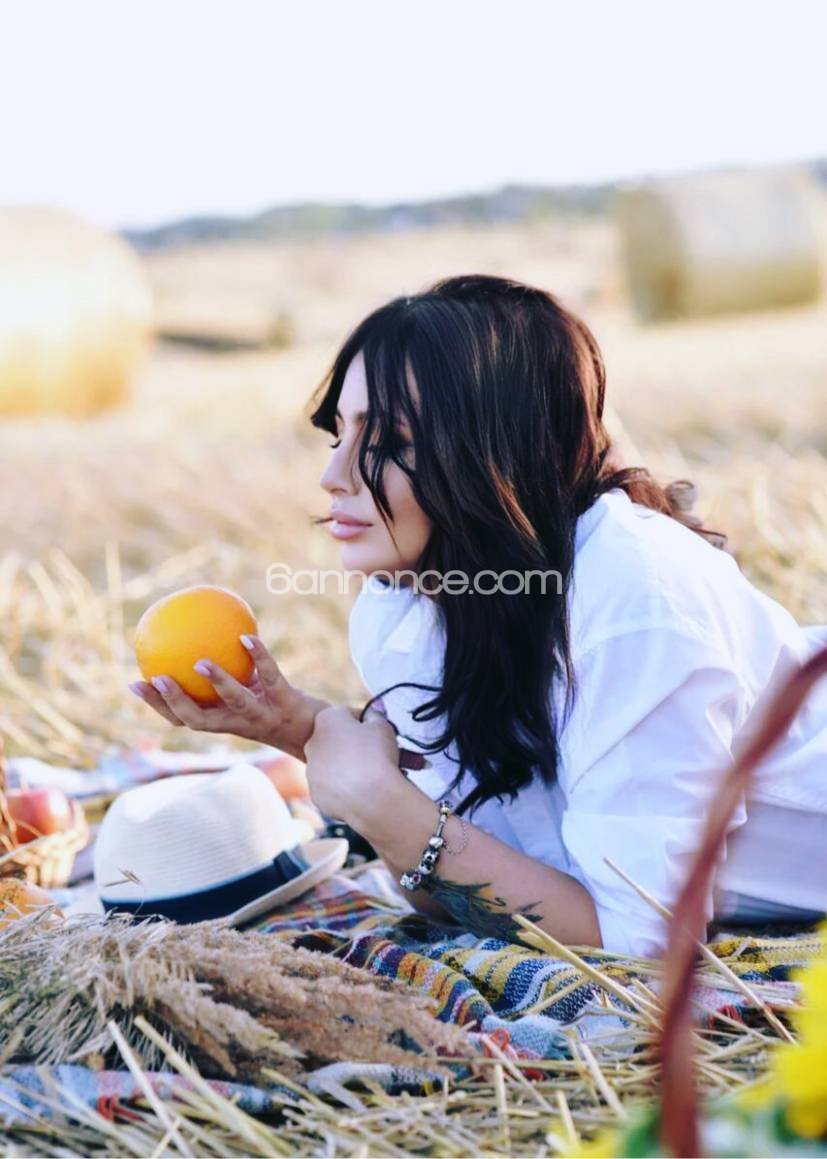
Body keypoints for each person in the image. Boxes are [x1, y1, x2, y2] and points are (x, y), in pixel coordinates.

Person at [129, 274, 827, 958]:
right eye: (338, 433)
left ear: (497, 448)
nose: (332, 475)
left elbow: (641, 938)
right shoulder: (408, 607)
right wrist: (299, 730)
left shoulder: (635, 602)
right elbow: (459, 890)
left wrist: (386, 806)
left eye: (388, 439)